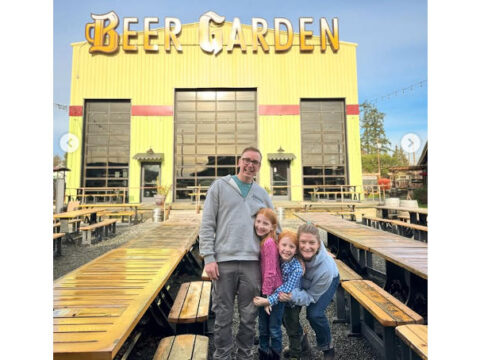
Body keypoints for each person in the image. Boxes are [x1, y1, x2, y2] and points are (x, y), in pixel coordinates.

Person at [199, 146, 274, 360]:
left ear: (259, 167)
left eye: (255, 162)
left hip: (252, 262)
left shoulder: (261, 193)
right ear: (239, 162)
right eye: (247, 160)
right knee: (222, 314)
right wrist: (209, 257)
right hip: (223, 262)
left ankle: (244, 354)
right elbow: (207, 224)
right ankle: (222, 354)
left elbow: (274, 226)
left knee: (249, 315)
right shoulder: (220, 187)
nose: (250, 165)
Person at [279, 223, 340, 360]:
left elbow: (311, 296)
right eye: (303, 242)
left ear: (318, 244)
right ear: (297, 242)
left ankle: (327, 347)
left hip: (325, 281)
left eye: (312, 243)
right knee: (285, 312)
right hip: (300, 281)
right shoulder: (293, 250)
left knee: (315, 314)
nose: (307, 247)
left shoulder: (325, 269)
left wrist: (292, 295)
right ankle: (301, 344)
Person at [253, 228, 303, 360]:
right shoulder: (278, 259)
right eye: (284, 245)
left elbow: (285, 289)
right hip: (272, 296)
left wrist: (267, 300)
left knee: (286, 328)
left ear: (296, 250)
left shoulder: (297, 269)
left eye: (291, 247)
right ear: (277, 245)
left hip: (288, 301)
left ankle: (289, 354)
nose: (286, 249)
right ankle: (263, 354)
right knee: (263, 328)